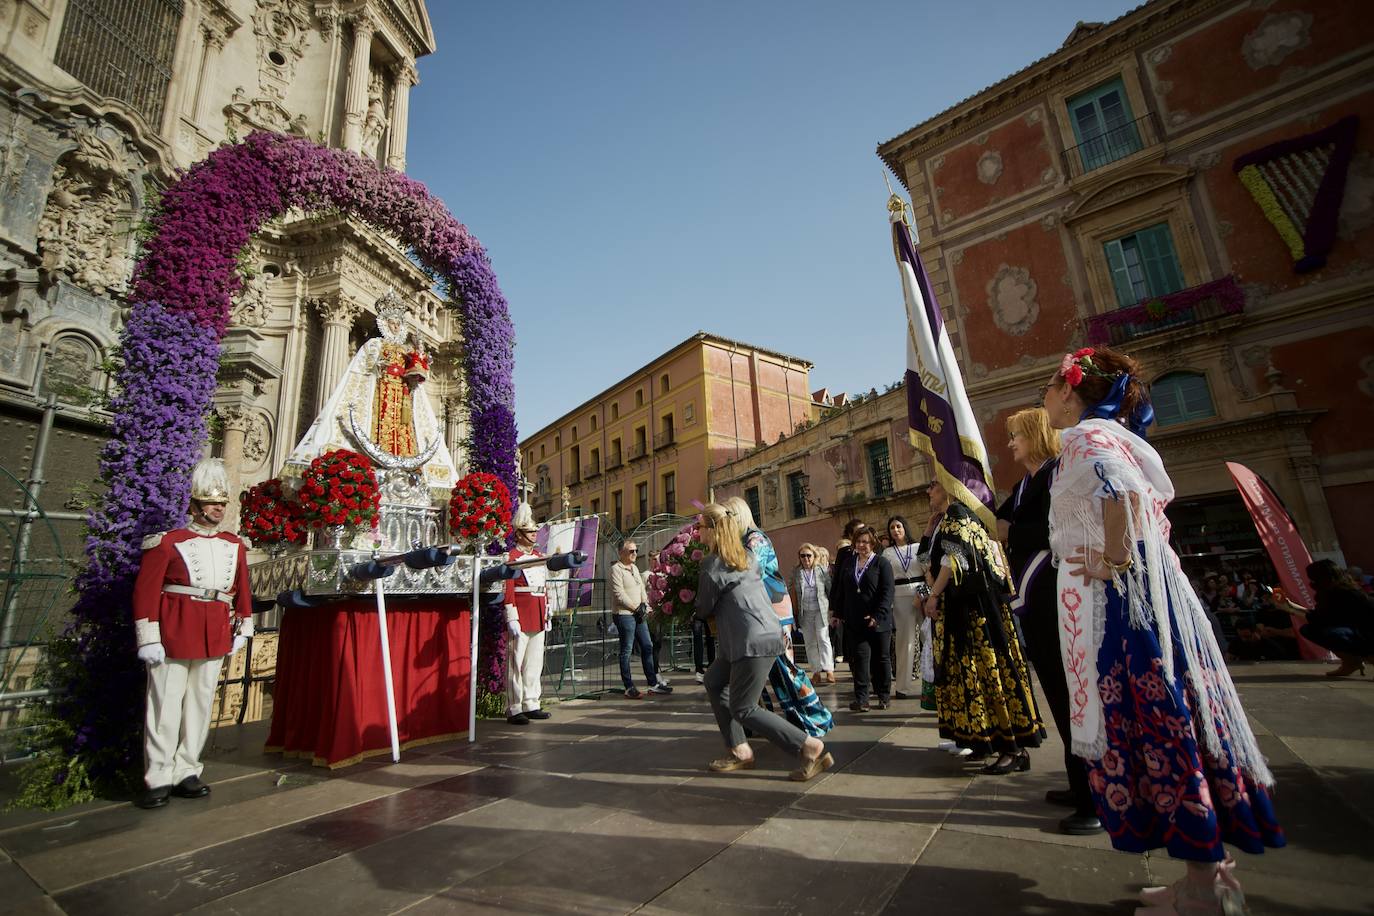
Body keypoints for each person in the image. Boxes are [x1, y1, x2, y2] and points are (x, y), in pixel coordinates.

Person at [1043, 346, 1283, 912]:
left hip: (1127, 609)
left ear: (1070, 391)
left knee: (1159, 723)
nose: (1046, 401)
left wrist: (1113, 559)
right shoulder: (1120, 434)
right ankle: (1211, 875)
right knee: (1184, 718)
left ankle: (1201, 890)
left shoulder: (1084, 438)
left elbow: (1121, 488)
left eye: (1050, 389)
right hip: (1157, 597)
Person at [995, 408, 1100, 834]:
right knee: (1058, 694)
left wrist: (1015, 531)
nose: (1010, 443)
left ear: (1036, 435)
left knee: (1075, 693)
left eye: (1016, 435)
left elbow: (1050, 531)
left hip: (1063, 599)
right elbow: (1002, 521)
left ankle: (1095, 797)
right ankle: (1079, 784)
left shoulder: (1060, 473)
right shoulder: (1026, 484)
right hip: (1038, 603)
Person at [132, 459, 253, 810]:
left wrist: (243, 624)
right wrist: (148, 636)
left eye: (222, 503)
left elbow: (241, 589)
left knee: (200, 705)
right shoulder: (168, 542)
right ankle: (158, 775)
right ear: (196, 506)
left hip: (214, 629)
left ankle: (187, 770)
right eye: (212, 503)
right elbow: (146, 591)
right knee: (164, 705)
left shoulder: (235, 545)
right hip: (174, 628)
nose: (219, 509)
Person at [695, 502, 832, 780]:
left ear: (712, 531)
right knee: (713, 681)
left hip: (750, 641)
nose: (697, 532)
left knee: (743, 707)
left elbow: (703, 607)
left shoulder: (711, 564)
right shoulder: (748, 556)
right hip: (759, 635)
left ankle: (809, 747)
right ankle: (740, 750)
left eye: (700, 527)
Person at [921, 480, 1041, 772]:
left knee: (989, 671)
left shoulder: (960, 514)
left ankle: (1012, 747)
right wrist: (928, 529)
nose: (929, 492)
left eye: (934, 486)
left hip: (974, 611)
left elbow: (955, 561)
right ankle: (980, 739)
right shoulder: (943, 521)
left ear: (949, 488)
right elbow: (925, 558)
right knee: (966, 675)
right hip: (955, 610)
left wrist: (934, 593)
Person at [831, 527, 894, 711]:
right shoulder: (849, 563)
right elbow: (841, 590)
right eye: (858, 541)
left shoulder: (882, 563)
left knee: (881, 659)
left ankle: (883, 695)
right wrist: (837, 613)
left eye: (865, 542)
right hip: (854, 620)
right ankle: (862, 699)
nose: (861, 545)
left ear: (872, 543)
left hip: (878, 620)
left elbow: (887, 592)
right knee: (860, 660)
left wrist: (878, 615)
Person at [724, 496, 795, 659]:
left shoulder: (756, 539)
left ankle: (802, 686)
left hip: (773, 604)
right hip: (758, 605)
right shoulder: (741, 540)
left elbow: (750, 570)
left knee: (784, 664)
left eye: (727, 516)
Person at [1279, 559, 1373, 677]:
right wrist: (1291, 607)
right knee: (1312, 629)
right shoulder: (1341, 589)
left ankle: (1358, 659)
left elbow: (1320, 619)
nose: (1311, 582)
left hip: (1366, 633)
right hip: (1358, 630)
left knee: (1322, 632)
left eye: (1313, 578)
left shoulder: (1340, 594)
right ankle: (1351, 661)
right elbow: (1321, 616)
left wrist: (1291, 609)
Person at [503, 503, 551, 725]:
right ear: (519, 534)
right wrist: (511, 616)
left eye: (534, 531)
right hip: (521, 613)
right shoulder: (511, 557)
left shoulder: (540, 555)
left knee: (534, 662)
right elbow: (509, 588)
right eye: (530, 532)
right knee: (515, 662)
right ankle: (514, 706)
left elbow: (545, 585)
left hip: (538, 611)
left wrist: (547, 611)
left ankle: (531, 702)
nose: (534, 535)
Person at [609, 540, 672, 698]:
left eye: (636, 550)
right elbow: (619, 594)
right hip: (624, 615)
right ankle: (629, 686)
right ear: (621, 553)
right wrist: (636, 608)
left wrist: (645, 605)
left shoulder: (635, 568)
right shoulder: (616, 569)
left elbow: (641, 589)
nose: (635, 553)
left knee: (647, 645)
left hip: (638, 614)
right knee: (627, 650)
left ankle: (653, 683)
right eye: (631, 551)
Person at [883, 516, 925, 700]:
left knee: (929, 638)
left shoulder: (919, 548)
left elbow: (929, 570)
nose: (895, 530)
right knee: (904, 642)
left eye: (898, 526)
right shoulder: (886, 553)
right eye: (892, 527)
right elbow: (886, 580)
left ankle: (937, 681)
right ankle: (902, 687)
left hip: (922, 594)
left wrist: (926, 593)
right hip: (899, 597)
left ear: (905, 528)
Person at [790, 543, 835, 685]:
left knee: (823, 638)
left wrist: (833, 610)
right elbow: (791, 590)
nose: (806, 559)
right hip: (805, 612)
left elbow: (830, 589)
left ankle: (829, 670)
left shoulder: (821, 570)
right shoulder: (796, 572)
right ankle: (816, 671)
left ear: (814, 556)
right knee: (809, 642)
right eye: (802, 556)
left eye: (808, 555)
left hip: (820, 610)